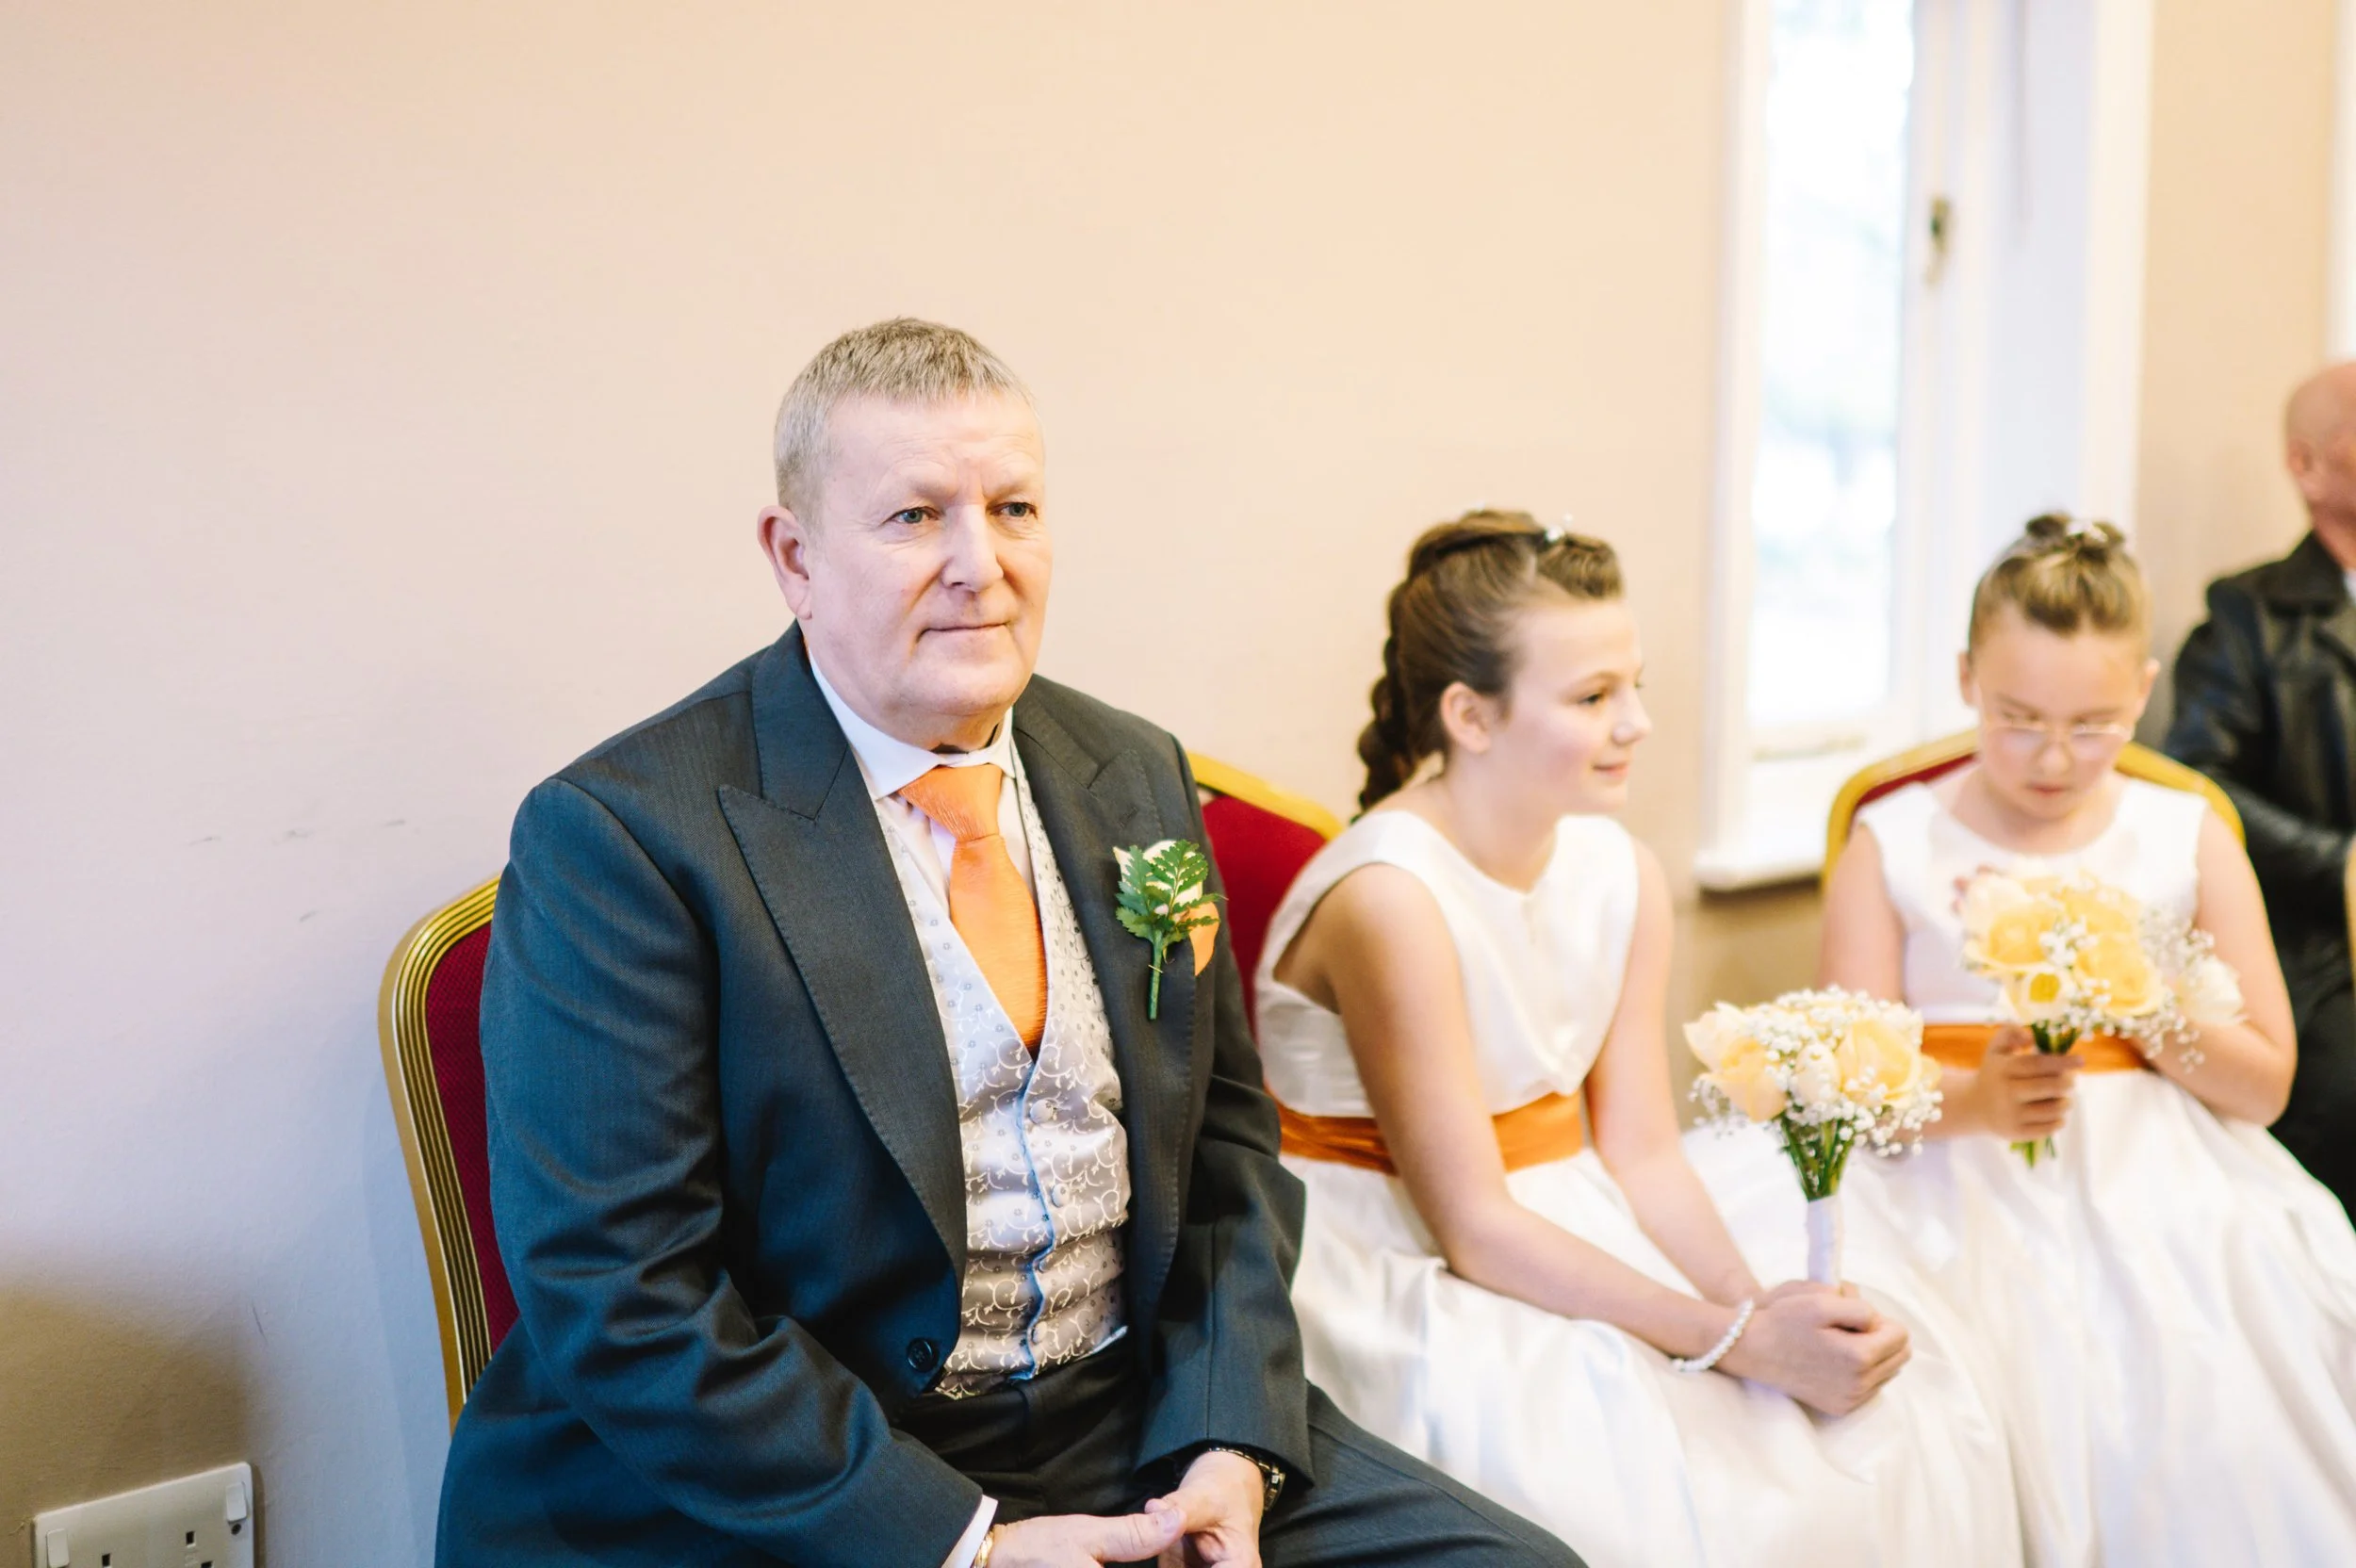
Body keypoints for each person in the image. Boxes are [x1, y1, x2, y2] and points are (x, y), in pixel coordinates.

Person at [434, 321, 1580, 1568]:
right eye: (915, 516)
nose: (979, 565)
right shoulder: (624, 837)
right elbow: (621, 1294)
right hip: (802, 1475)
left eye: (1014, 508)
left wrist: (1227, 1440)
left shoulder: (1131, 772)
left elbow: (1225, 1152)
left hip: (1132, 1421)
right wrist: (965, 1547)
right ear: (795, 556)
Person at [1256, 513, 2021, 1568]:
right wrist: (1734, 1343)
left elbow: (1644, 1149)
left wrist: (1754, 1305)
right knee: (1650, 1496)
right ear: (1470, 716)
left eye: (1636, 685)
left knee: (1889, 1426)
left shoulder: (1619, 871)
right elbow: (1473, 1227)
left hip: (1562, 1208)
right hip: (1391, 1255)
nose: (1637, 722)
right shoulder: (1389, 897)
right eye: (1592, 697)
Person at [1822, 516, 2356, 1565]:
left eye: (2095, 724)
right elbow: (1844, 1075)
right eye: (2017, 719)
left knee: (2203, 1367)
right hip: (1939, 1169)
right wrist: (1974, 1102)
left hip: (2158, 1168)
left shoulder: (2186, 829)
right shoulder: (1892, 839)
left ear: (2145, 690)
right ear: (1967, 678)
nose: (2055, 758)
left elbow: (2265, 1085)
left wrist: (2144, 1003)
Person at [2166, 361, 2356, 1217]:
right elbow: (2199, 783)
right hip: (2319, 949)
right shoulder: (2250, 616)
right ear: (2305, 465)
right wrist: (2342, 864)